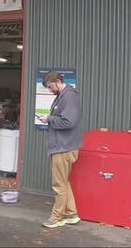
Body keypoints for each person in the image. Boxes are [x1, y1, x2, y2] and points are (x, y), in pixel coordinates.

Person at [37, 71, 82, 228]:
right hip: (63, 146)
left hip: (63, 147)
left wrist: (49, 119)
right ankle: (71, 214)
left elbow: (68, 122)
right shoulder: (63, 96)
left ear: (57, 81)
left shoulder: (69, 96)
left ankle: (56, 217)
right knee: (64, 182)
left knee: (59, 185)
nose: (50, 90)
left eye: (50, 87)